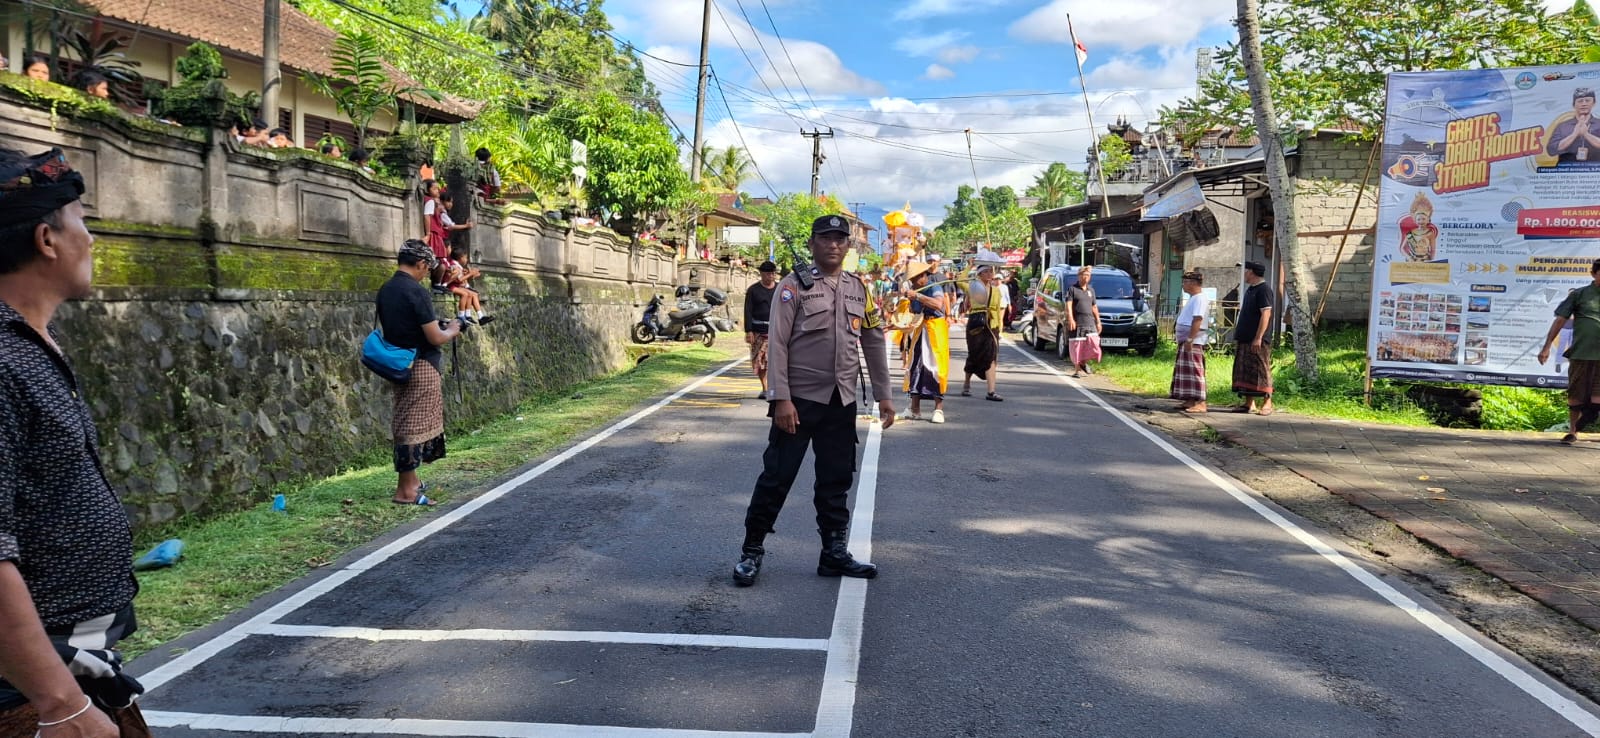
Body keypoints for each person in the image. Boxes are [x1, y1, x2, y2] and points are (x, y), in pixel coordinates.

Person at [0, 147, 144, 737]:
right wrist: (60, 705)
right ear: (47, 239)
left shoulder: (32, 341)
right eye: (82, 221)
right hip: (31, 693)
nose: (92, 238)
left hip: (76, 670)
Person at [732, 215, 894, 587]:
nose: (833, 244)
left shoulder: (859, 289)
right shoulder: (792, 287)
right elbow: (777, 343)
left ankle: (833, 553)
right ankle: (751, 551)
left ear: (848, 246)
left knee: (836, 479)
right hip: (799, 401)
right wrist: (781, 399)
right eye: (825, 238)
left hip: (841, 400)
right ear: (812, 243)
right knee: (777, 477)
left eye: (840, 239)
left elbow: (872, 339)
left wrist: (884, 394)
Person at [378, 239, 468, 506]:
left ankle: (413, 481)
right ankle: (406, 490)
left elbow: (403, 326)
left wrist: (438, 325)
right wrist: (453, 329)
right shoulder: (416, 292)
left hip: (398, 363)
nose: (427, 274)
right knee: (412, 426)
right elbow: (435, 337)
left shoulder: (386, 289)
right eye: (427, 269)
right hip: (421, 365)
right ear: (419, 263)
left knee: (406, 417)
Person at [1538, 259, 1600, 444]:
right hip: (1581, 352)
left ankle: (1591, 413)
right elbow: (1560, 320)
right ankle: (1573, 432)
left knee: (1597, 398)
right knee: (1576, 393)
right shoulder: (1580, 295)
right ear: (1593, 274)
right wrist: (1547, 346)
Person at [902, 259, 950, 423]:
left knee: (936, 368)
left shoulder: (934, 287)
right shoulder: (913, 290)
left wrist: (918, 296)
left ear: (923, 276)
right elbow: (913, 312)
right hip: (919, 330)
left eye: (915, 278)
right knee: (916, 366)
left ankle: (938, 409)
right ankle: (914, 409)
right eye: (911, 279)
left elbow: (938, 304)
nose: (913, 282)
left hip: (935, 329)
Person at [1231, 260, 1276, 415]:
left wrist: (1258, 337)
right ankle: (1249, 403)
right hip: (1245, 337)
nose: (1244, 274)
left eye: (1246, 271)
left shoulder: (1264, 290)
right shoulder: (1250, 289)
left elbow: (1266, 314)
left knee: (1261, 369)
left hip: (1257, 339)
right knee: (1245, 370)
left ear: (1251, 272)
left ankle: (1267, 403)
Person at [961, 264, 1004, 401]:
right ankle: (967, 383)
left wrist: (1000, 327)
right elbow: (960, 281)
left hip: (992, 326)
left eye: (990, 271)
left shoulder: (996, 291)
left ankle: (991, 391)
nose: (989, 274)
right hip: (976, 325)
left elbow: (998, 309)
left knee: (991, 357)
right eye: (985, 272)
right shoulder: (973, 288)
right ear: (979, 274)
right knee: (974, 355)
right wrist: (969, 265)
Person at [1170, 271, 1210, 413]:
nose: (1183, 285)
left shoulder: (1200, 298)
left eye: (1185, 282)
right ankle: (1190, 399)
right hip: (1186, 339)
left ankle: (1201, 402)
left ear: (1193, 283)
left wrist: (1190, 338)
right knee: (1186, 371)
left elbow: (1197, 319)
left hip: (1194, 340)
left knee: (1195, 371)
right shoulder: (1193, 298)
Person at [744, 260, 780, 400]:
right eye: (767, 274)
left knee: (775, 361)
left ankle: (774, 387)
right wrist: (748, 331)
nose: (770, 276)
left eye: (772, 274)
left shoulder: (780, 289)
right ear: (761, 274)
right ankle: (765, 387)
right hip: (758, 330)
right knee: (760, 361)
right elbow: (748, 311)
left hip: (777, 330)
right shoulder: (753, 290)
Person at [1547, 88, 1600, 164]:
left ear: (1594, 103)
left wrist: (1586, 134)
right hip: (1567, 169)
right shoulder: (1562, 126)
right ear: (1573, 105)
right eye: (1580, 101)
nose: (1584, 104)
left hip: (1594, 169)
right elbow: (1551, 150)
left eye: (1587, 100)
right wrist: (1574, 134)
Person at [1065, 266, 1102, 377]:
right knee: (1077, 347)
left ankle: (1083, 362)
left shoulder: (1091, 290)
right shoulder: (1072, 289)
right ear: (1079, 276)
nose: (1086, 277)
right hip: (1077, 322)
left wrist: (1098, 321)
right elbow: (1068, 305)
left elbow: (1094, 306)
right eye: (1084, 275)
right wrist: (1071, 319)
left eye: (1088, 275)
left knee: (1094, 344)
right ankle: (1077, 370)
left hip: (1090, 322)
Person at [443, 246, 492, 326]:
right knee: (465, 294)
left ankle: (478, 316)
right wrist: (470, 274)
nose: (467, 260)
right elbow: (459, 280)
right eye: (465, 257)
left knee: (473, 294)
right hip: (451, 286)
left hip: (457, 286)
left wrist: (469, 273)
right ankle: (461, 316)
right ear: (461, 258)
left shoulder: (458, 265)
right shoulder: (454, 265)